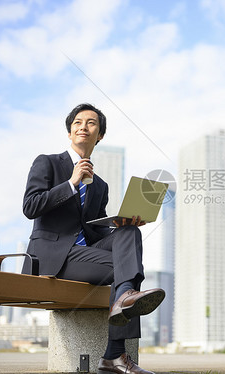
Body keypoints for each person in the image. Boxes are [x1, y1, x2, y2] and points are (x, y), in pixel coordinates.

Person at [22, 103, 164, 374]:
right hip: (52, 257)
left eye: (91, 123)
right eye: (77, 122)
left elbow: (96, 233)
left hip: (84, 254)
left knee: (129, 233)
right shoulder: (48, 162)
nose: (83, 127)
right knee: (127, 271)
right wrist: (71, 183)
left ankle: (124, 299)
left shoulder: (100, 185)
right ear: (69, 132)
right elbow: (30, 207)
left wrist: (122, 223)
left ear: (100, 135)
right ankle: (114, 354)